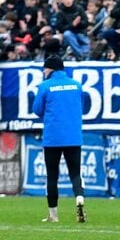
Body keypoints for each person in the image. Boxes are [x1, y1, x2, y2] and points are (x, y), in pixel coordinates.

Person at [32, 55, 86, 223]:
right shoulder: (77, 86)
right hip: (73, 137)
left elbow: (37, 110)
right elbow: (81, 105)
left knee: (52, 176)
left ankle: (53, 215)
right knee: (75, 174)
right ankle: (79, 197)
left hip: (53, 137)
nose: (43, 71)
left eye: (45, 68)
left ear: (51, 69)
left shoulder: (45, 86)